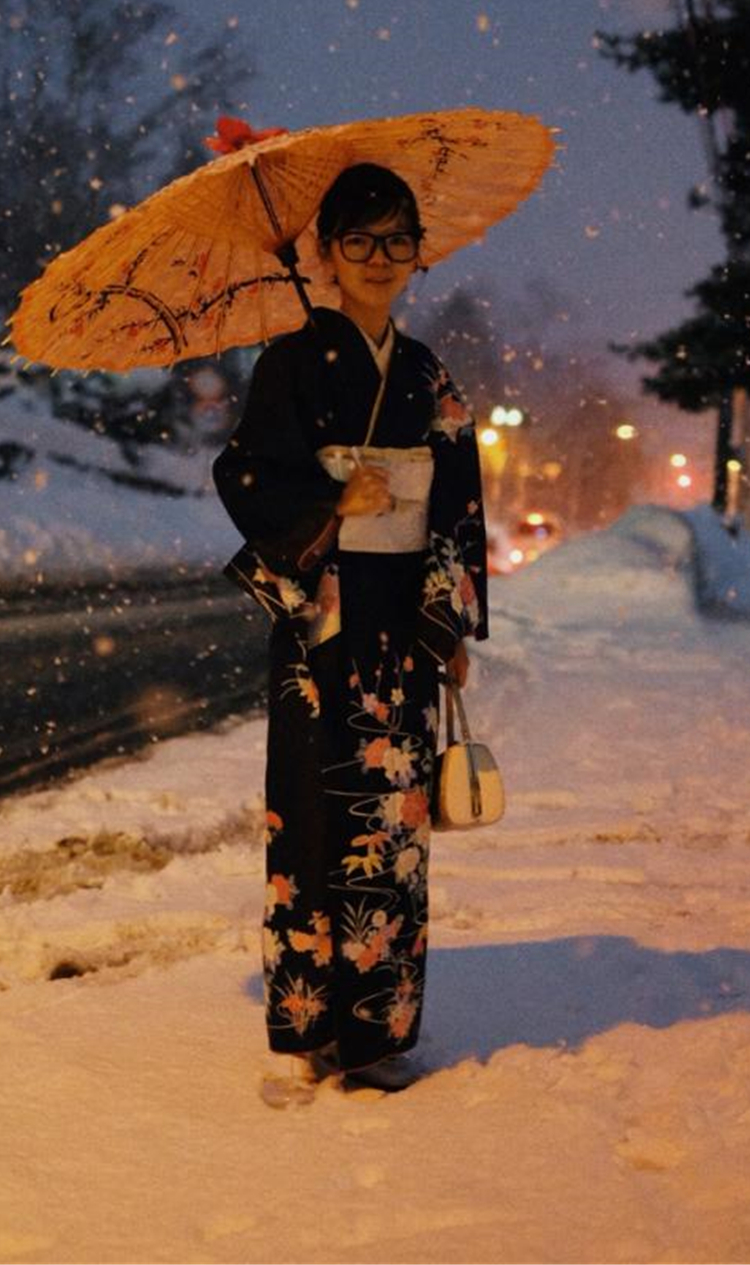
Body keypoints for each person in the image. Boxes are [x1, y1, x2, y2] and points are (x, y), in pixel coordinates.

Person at [213, 163, 488, 1105]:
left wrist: (447, 619)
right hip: (320, 627)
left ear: (418, 253)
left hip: (402, 629)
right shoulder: (290, 362)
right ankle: (307, 1021)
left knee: (394, 825)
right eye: (358, 241)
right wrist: (333, 500)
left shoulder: (428, 377)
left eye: (397, 240)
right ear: (324, 255)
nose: (379, 259)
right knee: (312, 810)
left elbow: (458, 508)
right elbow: (243, 473)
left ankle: (374, 1029)